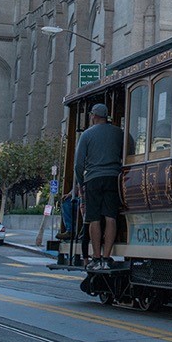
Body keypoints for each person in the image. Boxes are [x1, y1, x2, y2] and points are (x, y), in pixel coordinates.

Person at [73, 102, 125, 270]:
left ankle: (96, 257)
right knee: (111, 217)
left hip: (93, 179)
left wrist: (81, 183)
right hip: (113, 177)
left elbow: (78, 164)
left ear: (94, 116)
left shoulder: (87, 135)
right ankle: (107, 256)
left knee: (94, 218)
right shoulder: (119, 133)